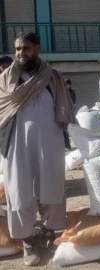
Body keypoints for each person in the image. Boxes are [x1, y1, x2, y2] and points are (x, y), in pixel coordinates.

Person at [0, 32, 73, 266]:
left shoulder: (52, 78)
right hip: (15, 141)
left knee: (51, 186)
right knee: (19, 192)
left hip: (49, 141)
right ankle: (28, 241)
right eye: (18, 49)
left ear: (37, 48)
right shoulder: (5, 79)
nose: (21, 53)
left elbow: (64, 106)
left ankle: (50, 234)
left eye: (26, 48)